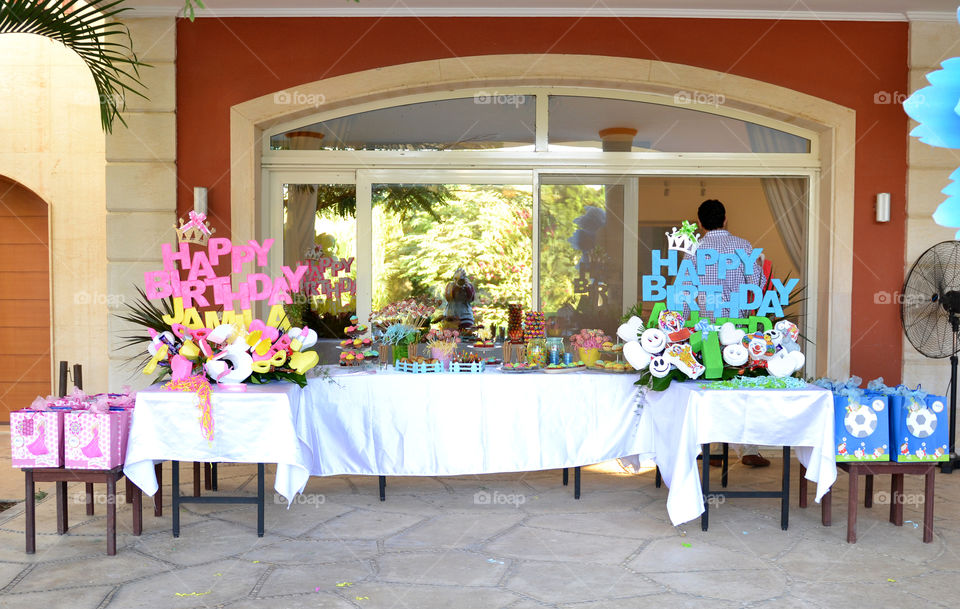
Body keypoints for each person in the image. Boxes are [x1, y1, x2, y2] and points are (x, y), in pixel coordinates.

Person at [687, 199, 769, 468]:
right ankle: (748, 449)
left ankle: (707, 447)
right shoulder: (743, 246)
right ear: (725, 219)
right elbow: (757, 284)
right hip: (738, 326)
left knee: (704, 385)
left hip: (704, 328)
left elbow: (685, 289)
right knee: (740, 384)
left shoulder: (694, 249)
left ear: (700, 223)